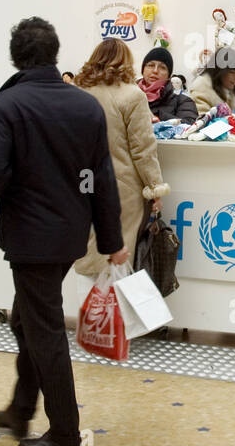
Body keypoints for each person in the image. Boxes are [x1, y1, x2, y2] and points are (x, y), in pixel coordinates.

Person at [0, 18, 125, 446]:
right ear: (55, 54)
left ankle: (64, 435)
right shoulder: (85, 106)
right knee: (27, 320)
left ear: (16, 56)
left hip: (30, 236)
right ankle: (21, 409)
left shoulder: (8, 105)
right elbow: (102, 178)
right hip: (69, 234)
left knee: (45, 331)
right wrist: (112, 238)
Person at [72, 39, 170, 279]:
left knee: (86, 256)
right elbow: (142, 149)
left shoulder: (76, 92)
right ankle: (111, 315)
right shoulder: (133, 95)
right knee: (117, 258)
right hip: (119, 188)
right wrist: (155, 188)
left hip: (81, 185)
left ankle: (90, 312)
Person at [137, 46, 197, 124]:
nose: (155, 71)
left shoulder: (183, 101)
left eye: (162, 67)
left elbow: (189, 125)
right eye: (150, 65)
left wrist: (156, 116)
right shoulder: (130, 97)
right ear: (143, 70)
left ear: (169, 76)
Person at [190, 46, 235, 124]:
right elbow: (203, 126)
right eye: (233, 72)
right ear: (220, 70)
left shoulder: (232, 92)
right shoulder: (201, 89)